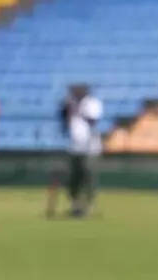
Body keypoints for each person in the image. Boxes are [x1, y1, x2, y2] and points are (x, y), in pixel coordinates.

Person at [62, 83, 103, 218]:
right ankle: (76, 205)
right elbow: (66, 123)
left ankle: (89, 205)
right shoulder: (70, 104)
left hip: (90, 147)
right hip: (75, 147)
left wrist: (78, 110)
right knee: (74, 178)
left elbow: (93, 120)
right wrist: (68, 111)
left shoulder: (92, 103)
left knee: (88, 175)